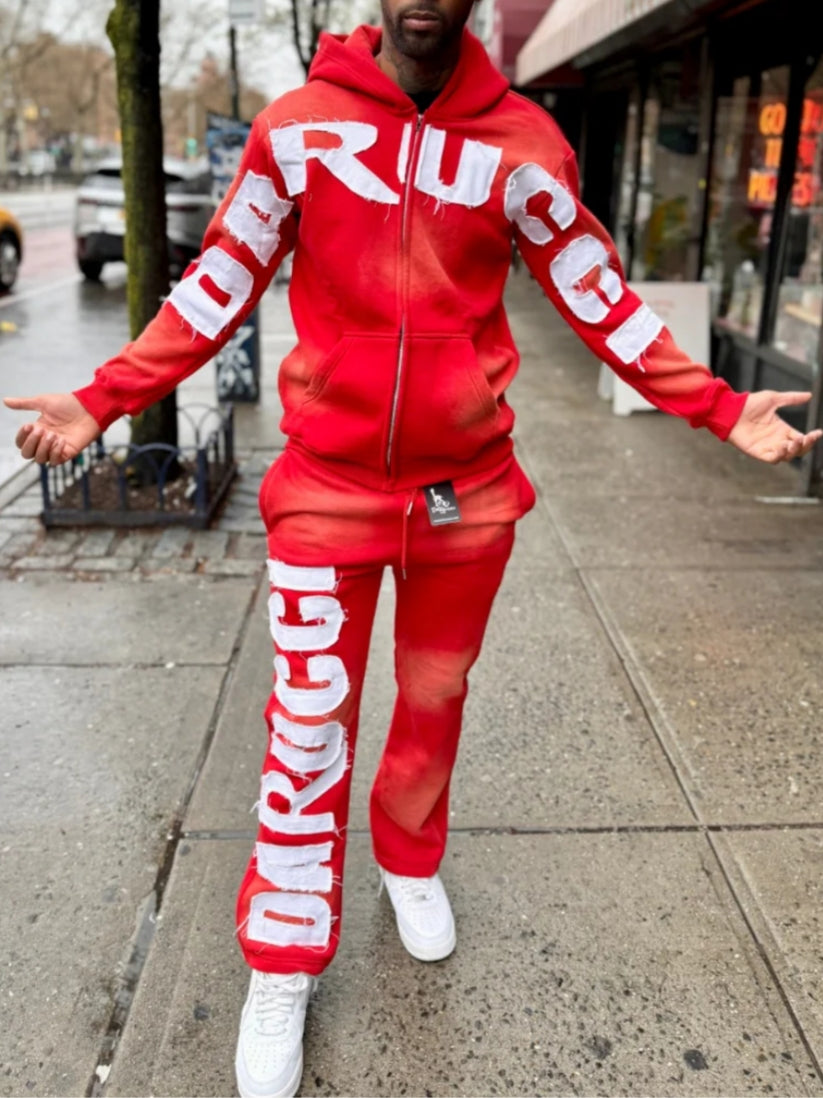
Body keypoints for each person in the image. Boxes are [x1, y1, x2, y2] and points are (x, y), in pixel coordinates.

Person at [4, 1, 821, 1094]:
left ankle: (408, 857)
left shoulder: (527, 146)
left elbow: (600, 299)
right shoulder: (296, 127)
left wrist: (721, 410)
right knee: (305, 728)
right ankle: (283, 959)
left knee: (433, 701)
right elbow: (219, 278)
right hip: (326, 494)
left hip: (463, 497)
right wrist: (108, 398)